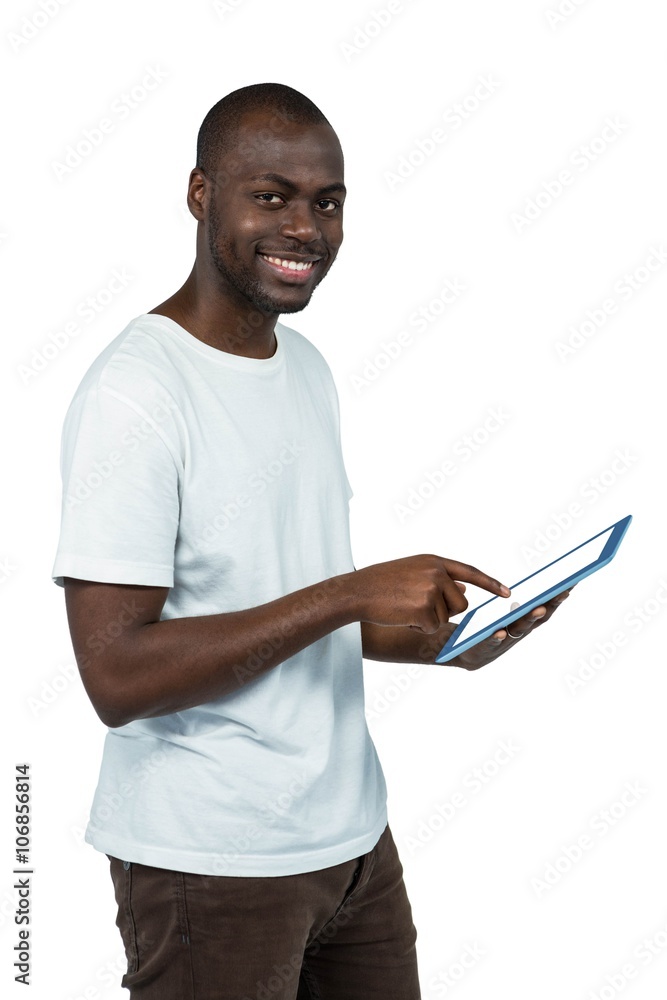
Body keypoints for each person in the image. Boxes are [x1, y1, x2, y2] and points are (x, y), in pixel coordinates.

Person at [51, 82, 570, 1000]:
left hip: (352, 843)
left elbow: (275, 599)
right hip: (211, 863)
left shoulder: (306, 368)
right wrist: (349, 592)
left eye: (327, 203)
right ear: (201, 194)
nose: (305, 228)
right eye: (271, 196)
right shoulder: (136, 393)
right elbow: (116, 678)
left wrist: (435, 643)